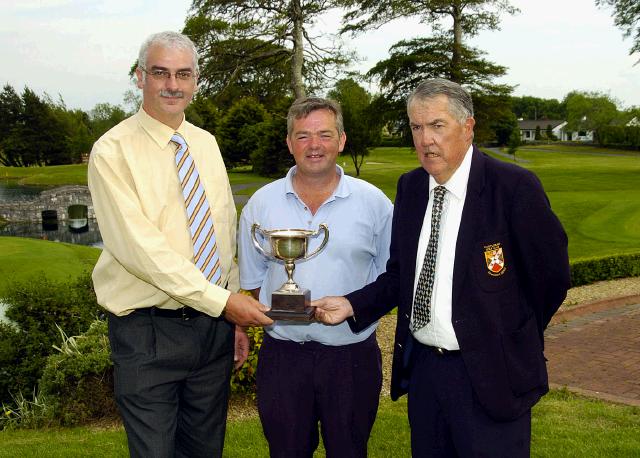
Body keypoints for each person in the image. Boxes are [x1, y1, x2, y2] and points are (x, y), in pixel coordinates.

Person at [312, 79, 571, 457]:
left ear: (467, 128)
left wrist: (508, 335)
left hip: (492, 374)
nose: (425, 139)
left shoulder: (513, 188)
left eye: (437, 126)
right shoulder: (412, 188)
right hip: (427, 374)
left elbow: (551, 279)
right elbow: (402, 275)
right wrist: (352, 304)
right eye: (417, 127)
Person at [88, 31, 272, 458]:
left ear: (195, 81)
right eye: (160, 73)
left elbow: (221, 233)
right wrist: (224, 303)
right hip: (147, 333)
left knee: (205, 450)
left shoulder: (205, 144)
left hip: (212, 334)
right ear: (139, 78)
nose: (172, 84)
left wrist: (232, 319)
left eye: (183, 74)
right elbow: (142, 250)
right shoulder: (112, 151)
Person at [238, 97, 393, 457]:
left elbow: (390, 280)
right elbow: (253, 279)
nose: (314, 145)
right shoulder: (262, 204)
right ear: (289, 142)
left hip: (351, 358)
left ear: (341, 140)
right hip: (284, 358)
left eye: (324, 134)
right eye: (303, 136)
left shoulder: (375, 204)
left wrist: (353, 306)